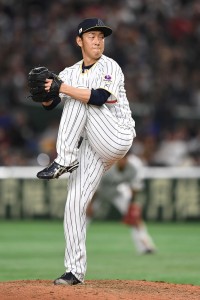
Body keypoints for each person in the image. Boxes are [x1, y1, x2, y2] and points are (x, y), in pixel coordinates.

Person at [32, 18, 136, 285]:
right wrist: (46, 93)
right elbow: (50, 102)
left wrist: (61, 87)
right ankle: (74, 272)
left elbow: (99, 97)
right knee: (75, 203)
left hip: (117, 135)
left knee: (82, 97)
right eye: (92, 36)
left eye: (101, 36)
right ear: (79, 41)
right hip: (92, 147)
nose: (98, 40)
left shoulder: (109, 65)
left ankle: (65, 159)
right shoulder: (69, 72)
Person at [86, 152, 156, 255]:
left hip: (117, 192)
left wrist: (131, 206)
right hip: (98, 192)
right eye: (121, 158)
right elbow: (95, 188)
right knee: (85, 216)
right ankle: (74, 245)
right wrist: (90, 205)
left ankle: (145, 246)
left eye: (125, 158)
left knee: (134, 217)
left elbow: (135, 187)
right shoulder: (106, 164)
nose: (123, 160)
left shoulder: (133, 166)